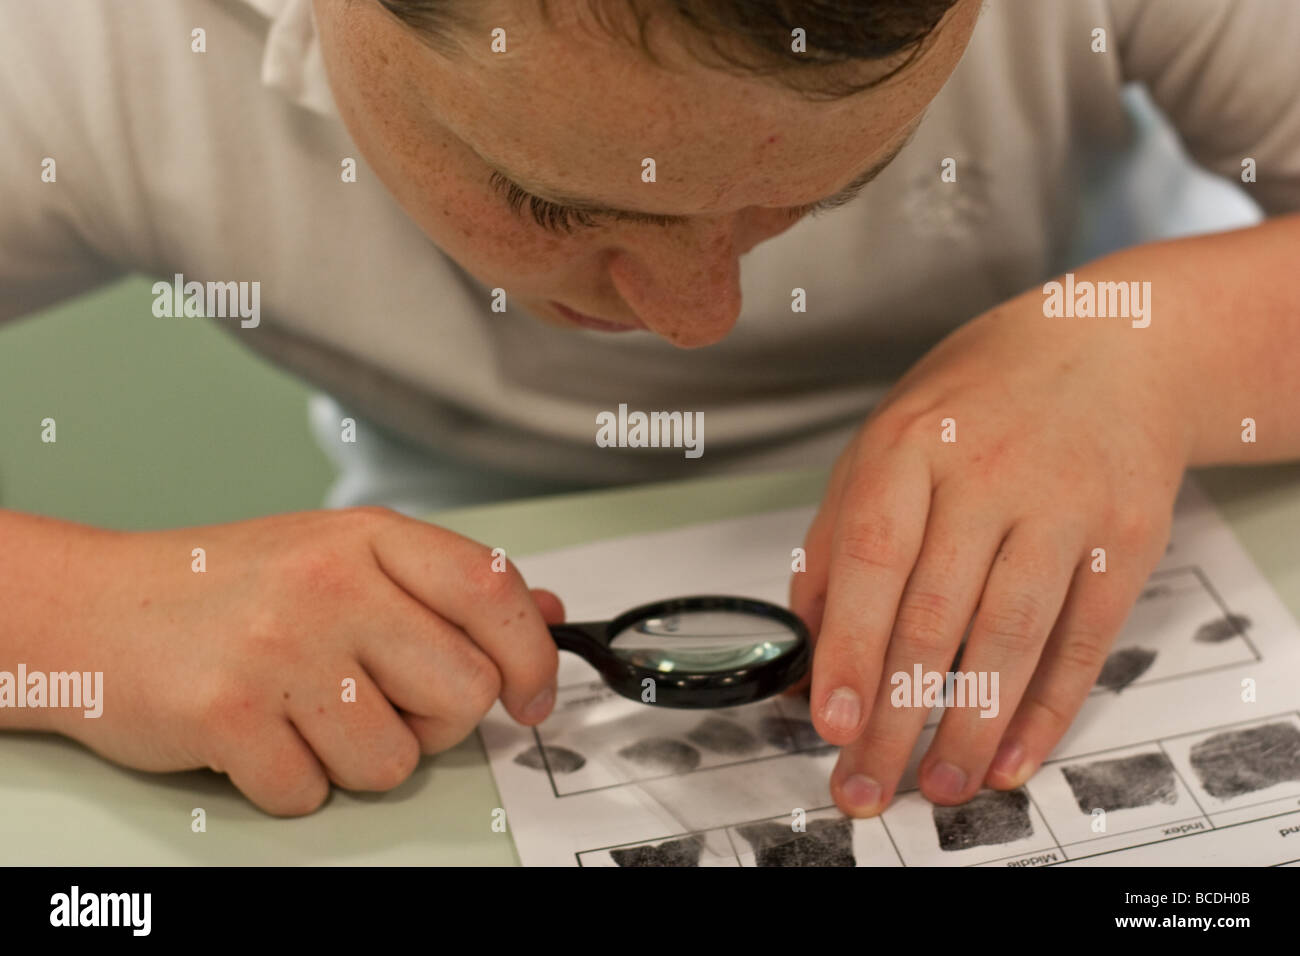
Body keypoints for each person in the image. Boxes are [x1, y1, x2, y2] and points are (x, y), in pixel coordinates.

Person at [1, 0, 1297, 819]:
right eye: (551, 203)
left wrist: (1159, 348)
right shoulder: (77, 38)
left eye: (824, 189)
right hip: (436, 648)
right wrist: (80, 612)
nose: (697, 314)